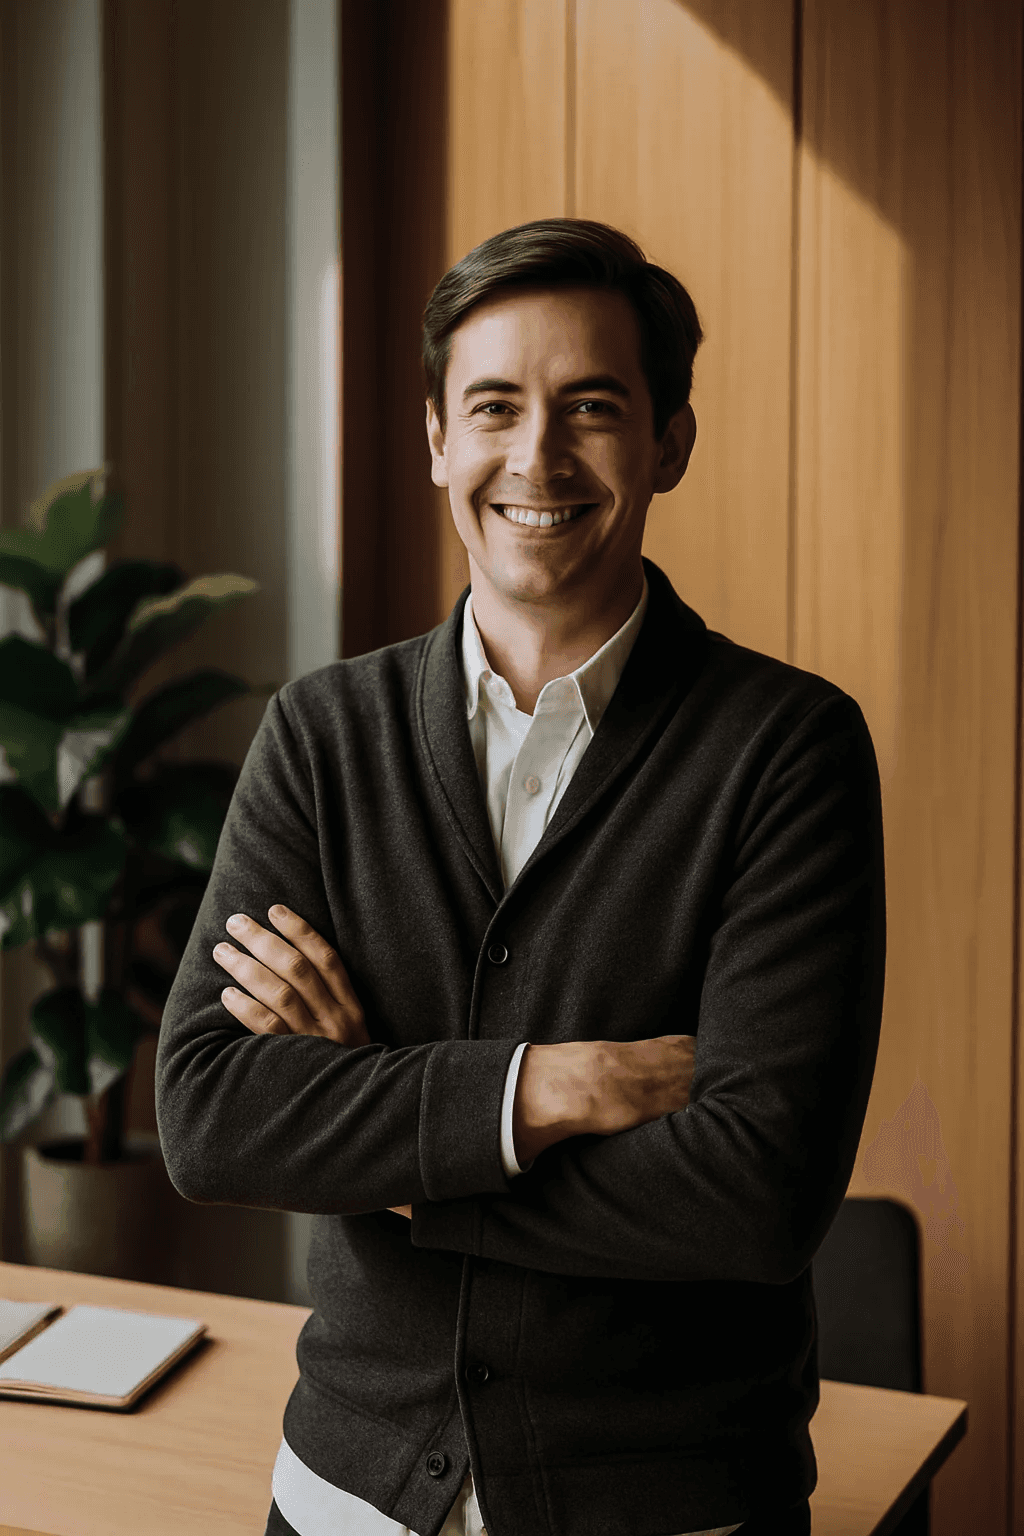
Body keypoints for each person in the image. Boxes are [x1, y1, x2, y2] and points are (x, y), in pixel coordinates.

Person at [156, 218, 885, 1536]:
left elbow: (752, 1199)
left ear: (670, 442)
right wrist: (546, 1087)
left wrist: (380, 1135)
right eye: (493, 407)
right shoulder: (323, 734)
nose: (534, 456)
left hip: (668, 1505)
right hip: (345, 1499)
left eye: (591, 408)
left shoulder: (790, 751)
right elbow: (211, 1114)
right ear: (436, 435)